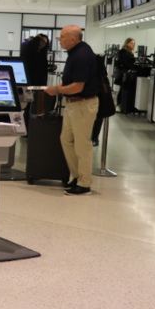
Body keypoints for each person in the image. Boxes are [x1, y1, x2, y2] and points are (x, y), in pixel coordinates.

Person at [44, 25, 99, 196]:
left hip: (82, 104)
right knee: (66, 139)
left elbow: (77, 87)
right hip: (73, 104)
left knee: (82, 145)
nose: (59, 39)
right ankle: (76, 176)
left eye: (61, 36)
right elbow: (71, 82)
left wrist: (56, 90)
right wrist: (56, 88)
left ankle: (84, 184)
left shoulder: (81, 56)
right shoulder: (76, 52)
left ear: (72, 39)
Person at [114, 37, 135, 106]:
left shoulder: (130, 52)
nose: (133, 45)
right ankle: (120, 104)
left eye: (134, 44)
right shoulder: (123, 51)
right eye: (131, 43)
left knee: (124, 89)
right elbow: (122, 62)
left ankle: (123, 104)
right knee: (122, 89)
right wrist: (131, 65)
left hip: (127, 72)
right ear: (127, 43)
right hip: (124, 72)